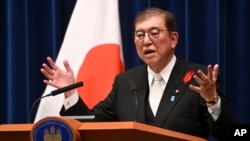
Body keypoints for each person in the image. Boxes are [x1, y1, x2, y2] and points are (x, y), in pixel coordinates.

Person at [41, 7, 236, 140]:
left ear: (173, 39)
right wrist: (69, 92)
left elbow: (229, 133)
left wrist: (212, 100)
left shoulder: (200, 77)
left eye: (154, 33)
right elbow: (92, 124)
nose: (146, 41)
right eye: (140, 35)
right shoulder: (126, 81)